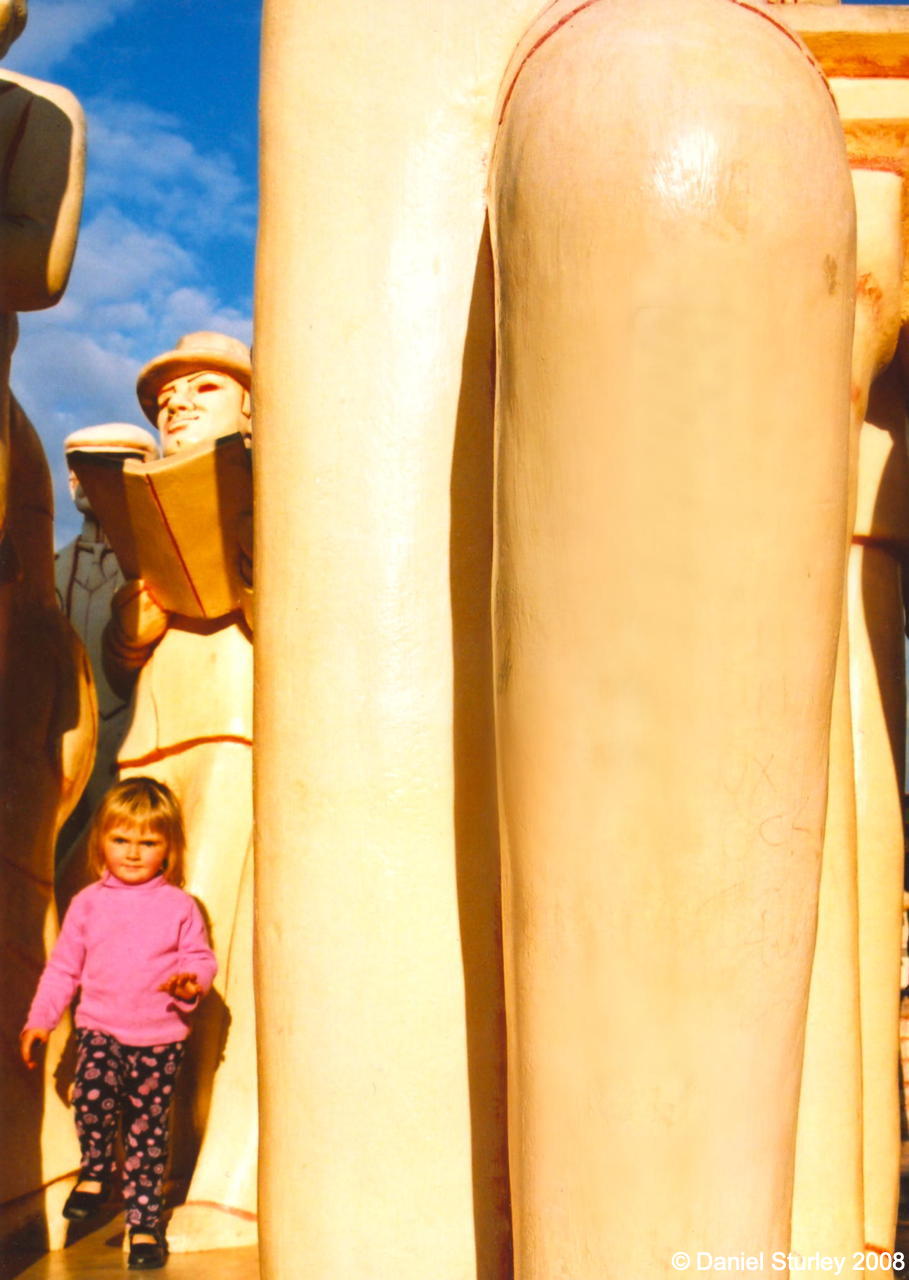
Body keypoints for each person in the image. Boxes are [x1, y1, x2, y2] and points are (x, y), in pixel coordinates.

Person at [101, 331, 256, 1248]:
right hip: (157, 737)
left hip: (233, 724)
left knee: (205, 936)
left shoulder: (261, 490)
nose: (178, 403)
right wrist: (134, 621)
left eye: (203, 388)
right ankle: (142, 1154)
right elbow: (121, 658)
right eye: (167, 396)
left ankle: (204, 1158)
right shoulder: (146, 502)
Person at [20, 777, 217, 1272]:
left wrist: (190, 984)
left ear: (168, 848)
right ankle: (97, 1169)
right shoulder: (88, 903)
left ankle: (145, 1225)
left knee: (148, 1135)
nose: (132, 852)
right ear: (101, 842)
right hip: (101, 1028)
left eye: (147, 842)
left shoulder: (180, 907)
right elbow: (63, 968)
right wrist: (41, 1021)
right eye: (121, 839)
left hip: (160, 1039)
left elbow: (200, 959)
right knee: (91, 1095)